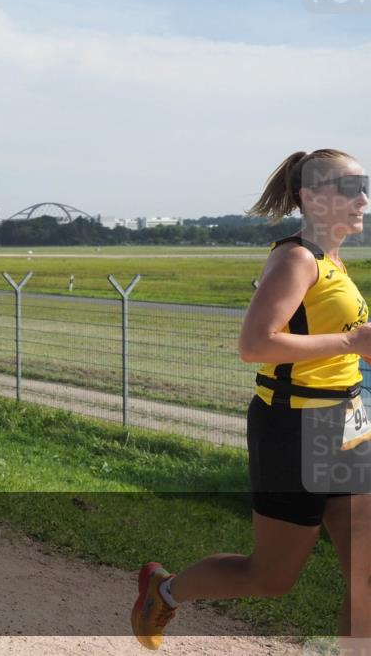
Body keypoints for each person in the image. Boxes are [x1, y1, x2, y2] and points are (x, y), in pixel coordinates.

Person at [132, 150, 371, 652]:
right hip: (295, 427)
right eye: (351, 188)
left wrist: (357, 351)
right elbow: (256, 344)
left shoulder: (333, 261)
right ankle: (164, 591)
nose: (364, 200)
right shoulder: (296, 259)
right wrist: (352, 342)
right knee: (270, 577)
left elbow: (334, 341)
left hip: (347, 421)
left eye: (365, 187)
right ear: (311, 196)